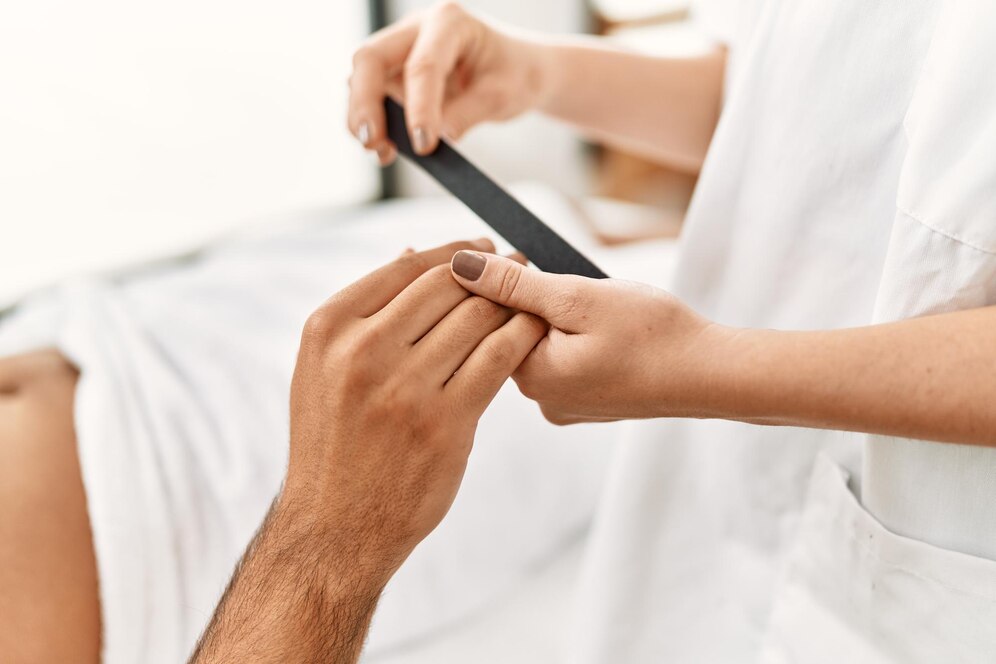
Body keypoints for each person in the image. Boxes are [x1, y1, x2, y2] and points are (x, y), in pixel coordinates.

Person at [195, 1, 996, 661]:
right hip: (728, 503)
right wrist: (539, 73)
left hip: (930, 560)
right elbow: (797, 101)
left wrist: (700, 368)